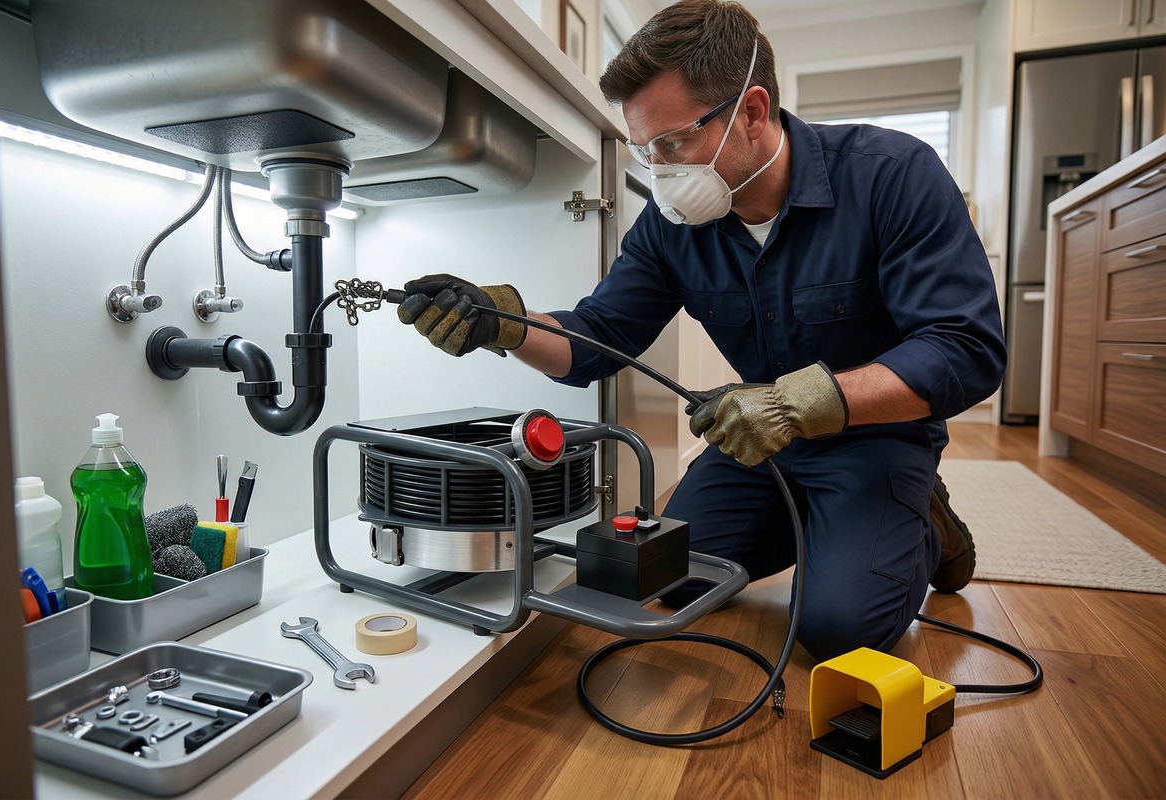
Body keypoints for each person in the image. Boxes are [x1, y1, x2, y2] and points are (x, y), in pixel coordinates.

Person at [395, 0, 1004, 661]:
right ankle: (836, 526)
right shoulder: (671, 226)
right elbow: (597, 337)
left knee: (837, 629)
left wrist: (797, 403)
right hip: (759, 439)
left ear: (752, 112)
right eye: (645, 148)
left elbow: (965, 348)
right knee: (669, 578)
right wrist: (502, 324)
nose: (658, 169)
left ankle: (923, 522)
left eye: (673, 142)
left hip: (876, 436)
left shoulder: (892, 174)